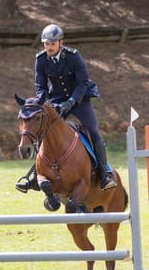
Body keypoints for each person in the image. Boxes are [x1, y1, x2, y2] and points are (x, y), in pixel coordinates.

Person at [15, 23, 117, 193]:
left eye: (52, 44)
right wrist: (42, 101)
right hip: (56, 100)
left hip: (80, 98)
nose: (49, 47)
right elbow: (40, 85)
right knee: (44, 131)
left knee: (92, 130)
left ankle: (104, 173)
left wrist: (72, 101)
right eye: (46, 44)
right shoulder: (40, 59)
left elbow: (83, 82)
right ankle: (34, 176)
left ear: (61, 43)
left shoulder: (73, 56)